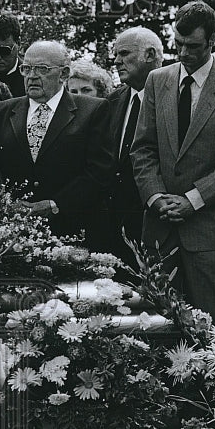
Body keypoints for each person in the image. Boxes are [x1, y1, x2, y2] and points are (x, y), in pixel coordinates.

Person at [130, 0, 215, 322]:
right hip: (159, 224)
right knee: (155, 316)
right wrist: (156, 196)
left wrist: (194, 200)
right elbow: (142, 147)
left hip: (206, 226)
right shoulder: (157, 80)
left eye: (194, 46)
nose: (184, 53)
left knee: (207, 315)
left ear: (213, 40)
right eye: (179, 44)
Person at [0, 40, 114, 237]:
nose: (32, 76)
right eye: (26, 69)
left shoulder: (93, 110)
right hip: (13, 235)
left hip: (74, 230)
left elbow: (100, 172)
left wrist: (55, 205)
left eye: (42, 69)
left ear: (64, 74)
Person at [90, 26, 164, 266]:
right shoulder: (112, 101)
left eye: (124, 54)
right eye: (115, 54)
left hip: (156, 224)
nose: (116, 61)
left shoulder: (174, 100)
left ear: (150, 55)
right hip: (111, 227)